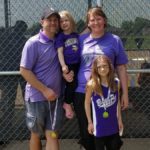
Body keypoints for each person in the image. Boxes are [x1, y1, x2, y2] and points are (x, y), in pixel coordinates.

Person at [64, 6, 128, 150]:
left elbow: (122, 68)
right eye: (92, 20)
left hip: (107, 92)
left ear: (104, 20)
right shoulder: (81, 40)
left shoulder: (114, 40)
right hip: (83, 92)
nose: (96, 23)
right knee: (88, 133)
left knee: (111, 136)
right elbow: (69, 58)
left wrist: (125, 94)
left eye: (99, 19)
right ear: (88, 23)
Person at [20, 8, 64, 150]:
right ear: (42, 22)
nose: (53, 23)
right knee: (36, 134)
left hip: (55, 98)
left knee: (52, 134)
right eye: (49, 20)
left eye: (55, 20)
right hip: (37, 97)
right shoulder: (33, 43)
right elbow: (24, 70)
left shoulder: (59, 41)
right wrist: (45, 90)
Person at [85, 55, 123, 150]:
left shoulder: (116, 82)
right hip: (99, 128)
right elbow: (86, 104)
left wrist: (120, 120)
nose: (102, 69)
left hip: (113, 126)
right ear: (95, 69)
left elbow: (117, 102)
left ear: (109, 67)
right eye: (99, 67)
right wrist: (90, 122)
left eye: (105, 66)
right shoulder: (92, 85)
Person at [0, 20, 27, 143]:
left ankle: (5, 134)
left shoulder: (9, 37)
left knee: (8, 103)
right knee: (25, 101)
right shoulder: (22, 40)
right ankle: (27, 129)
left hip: (13, 72)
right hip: (17, 72)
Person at [55, 10, 80, 119]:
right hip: (68, 64)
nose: (64, 23)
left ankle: (72, 102)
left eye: (66, 20)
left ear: (71, 21)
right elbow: (60, 52)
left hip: (77, 63)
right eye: (61, 22)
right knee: (71, 84)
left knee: (77, 83)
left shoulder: (75, 35)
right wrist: (63, 65)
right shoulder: (61, 37)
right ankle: (67, 103)